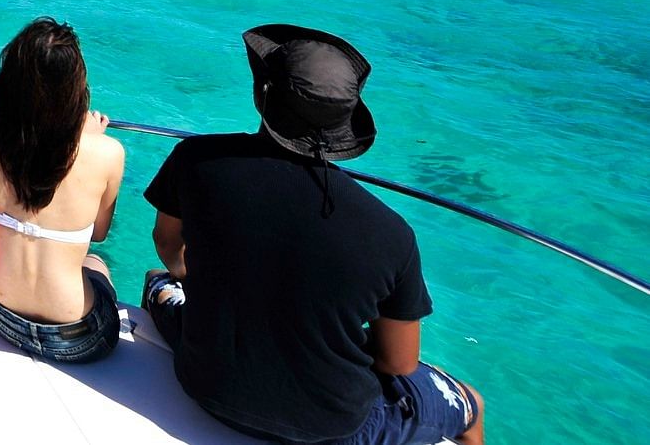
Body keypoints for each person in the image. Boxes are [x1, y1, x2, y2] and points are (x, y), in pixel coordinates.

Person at [142, 24, 485, 445]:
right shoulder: (390, 234)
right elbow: (398, 362)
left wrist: (194, 277)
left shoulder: (196, 159)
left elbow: (167, 245)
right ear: (345, 122)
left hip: (205, 383)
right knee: (472, 405)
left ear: (261, 97)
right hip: (330, 428)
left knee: (157, 281)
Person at [0, 17, 125, 363]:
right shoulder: (107, 153)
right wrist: (88, 139)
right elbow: (97, 233)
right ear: (75, 90)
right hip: (77, 336)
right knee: (96, 263)